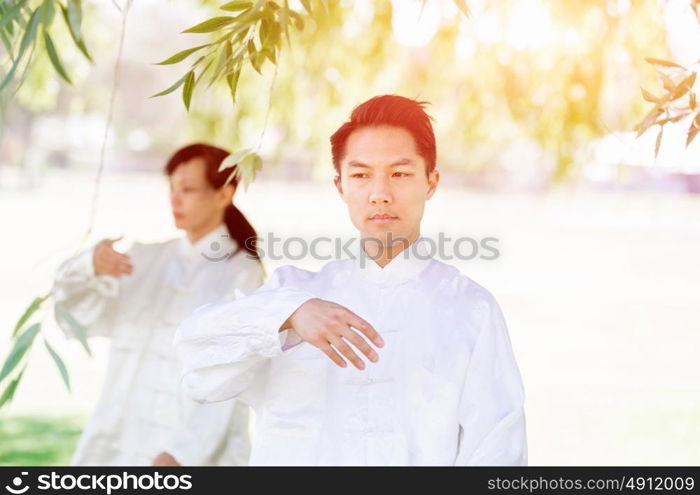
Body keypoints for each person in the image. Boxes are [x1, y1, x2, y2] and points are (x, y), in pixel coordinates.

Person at [174, 96, 528, 465]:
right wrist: (289, 315)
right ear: (340, 185)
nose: (380, 194)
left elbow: (499, 450)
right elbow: (197, 368)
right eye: (361, 175)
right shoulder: (292, 293)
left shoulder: (469, 309)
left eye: (400, 174)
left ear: (431, 182)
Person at [53, 143, 264, 466]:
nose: (175, 199)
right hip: (121, 443)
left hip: (194, 454)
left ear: (224, 194)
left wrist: (183, 453)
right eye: (172, 188)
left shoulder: (242, 274)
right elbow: (72, 318)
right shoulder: (143, 259)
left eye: (188, 189)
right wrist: (88, 267)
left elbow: (230, 373)